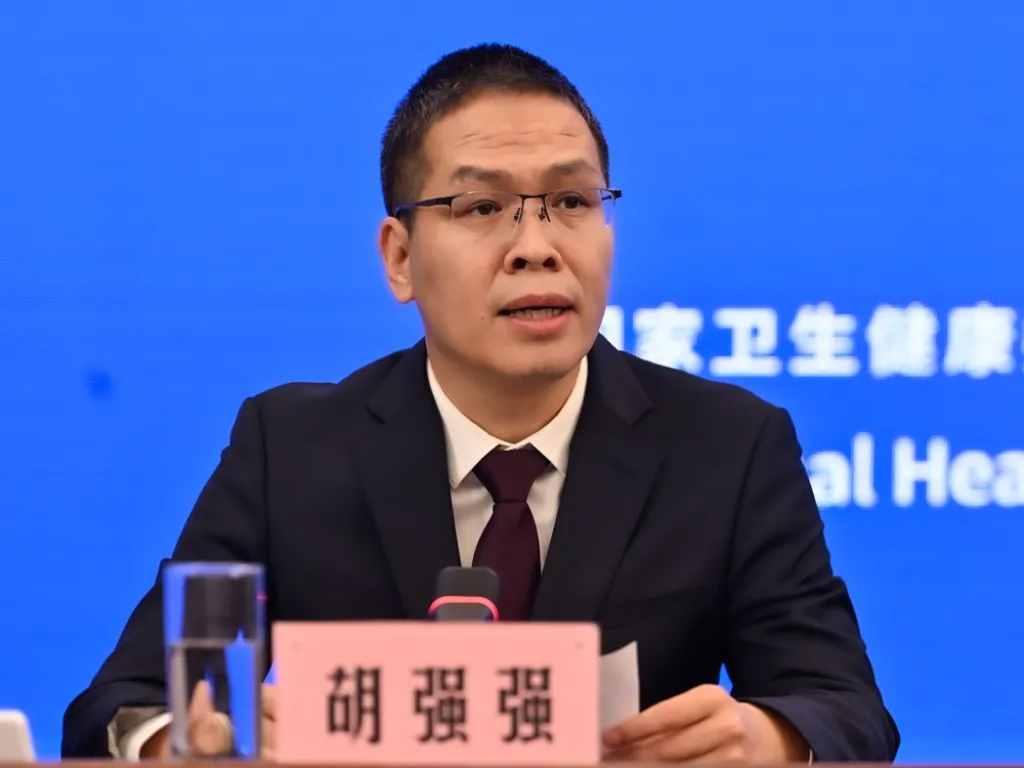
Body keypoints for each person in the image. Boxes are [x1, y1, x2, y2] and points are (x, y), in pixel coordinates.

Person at [62, 43, 899, 763]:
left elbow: (845, 708)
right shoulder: (292, 448)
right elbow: (124, 705)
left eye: (571, 203)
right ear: (399, 257)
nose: (537, 248)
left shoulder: (729, 446)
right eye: (482, 208)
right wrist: (187, 742)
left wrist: (767, 739)